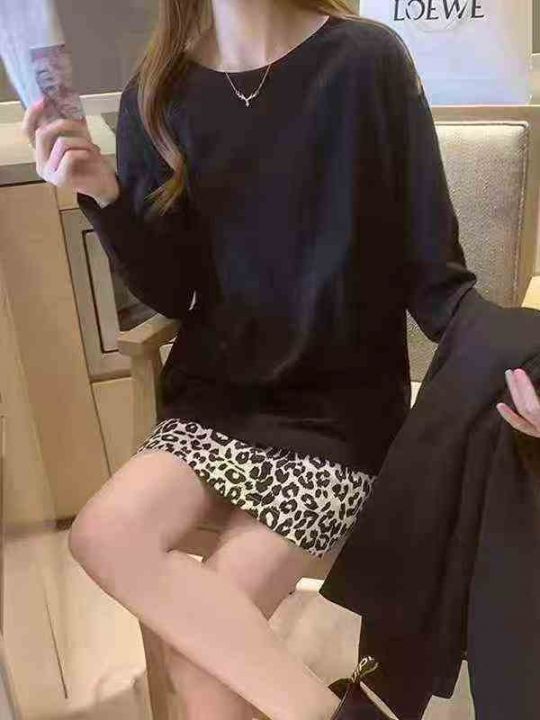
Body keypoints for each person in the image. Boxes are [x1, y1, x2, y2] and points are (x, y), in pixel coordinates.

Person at [21, 1, 540, 718]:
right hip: (213, 405)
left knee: (199, 662)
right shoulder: (156, 93)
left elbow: (436, 278)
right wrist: (105, 196)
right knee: (99, 535)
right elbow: (173, 292)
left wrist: (521, 368)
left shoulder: (366, 63)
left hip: (338, 419)